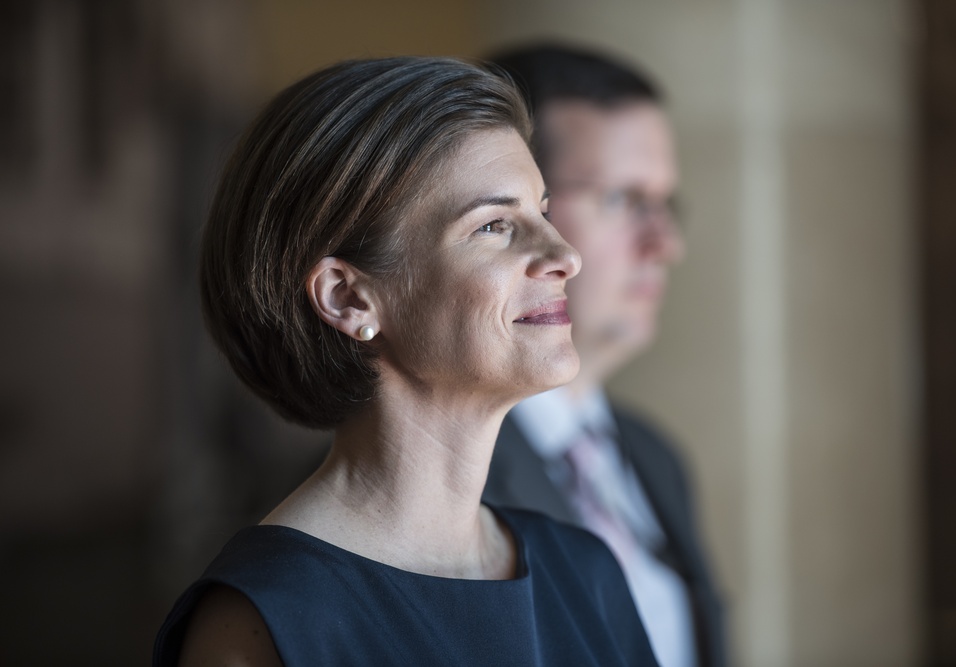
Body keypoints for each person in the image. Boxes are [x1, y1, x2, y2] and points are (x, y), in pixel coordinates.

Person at [152, 56, 659, 666]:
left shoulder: (584, 568)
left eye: (543, 212)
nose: (563, 255)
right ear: (349, 297)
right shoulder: (270, 618)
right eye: (495, 225)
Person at [482, 44, 727, 667]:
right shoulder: (441, 473)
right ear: (518, 206)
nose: (664, 244)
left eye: (665, 205)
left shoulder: (654, 456)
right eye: (622, 200)